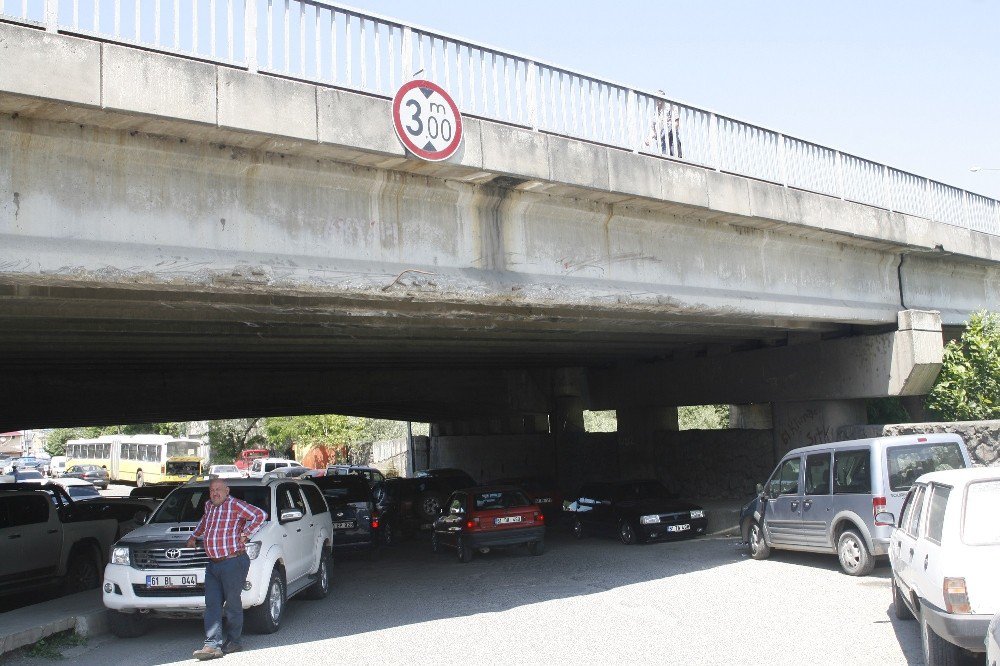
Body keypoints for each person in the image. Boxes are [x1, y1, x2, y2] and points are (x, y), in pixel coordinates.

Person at [186, 478, 267, 660]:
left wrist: (246, 533)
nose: (215, 493)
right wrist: (193, 536)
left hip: (233, 561)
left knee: (232, 603)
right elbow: (204, 523)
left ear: (227, 490)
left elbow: (260, 515)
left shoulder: (235, 505)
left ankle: (234, 642)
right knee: (212, 603)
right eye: (212, 490)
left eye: (219, 489)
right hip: (213, 563)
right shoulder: (209, 506)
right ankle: (211, 645)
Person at [646, 90, 682, 158]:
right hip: (662, 141)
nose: (658, 100)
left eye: (660, 98)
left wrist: (667, 131)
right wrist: (649, 138)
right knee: (665, 159)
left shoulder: (670, 108)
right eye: (656, 98)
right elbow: (653, 130)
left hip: (671, 138)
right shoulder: (655, 114)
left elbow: (676, 123)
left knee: (676, 158)